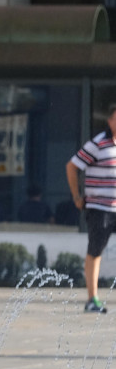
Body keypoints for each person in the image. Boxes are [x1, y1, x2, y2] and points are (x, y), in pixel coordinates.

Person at [66, 105, 116, 313]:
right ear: (110, 121)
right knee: (95, 251)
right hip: (99, 208)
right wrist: (77, 195)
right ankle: (92, 299)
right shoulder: (97, 144)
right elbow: (72, 166)